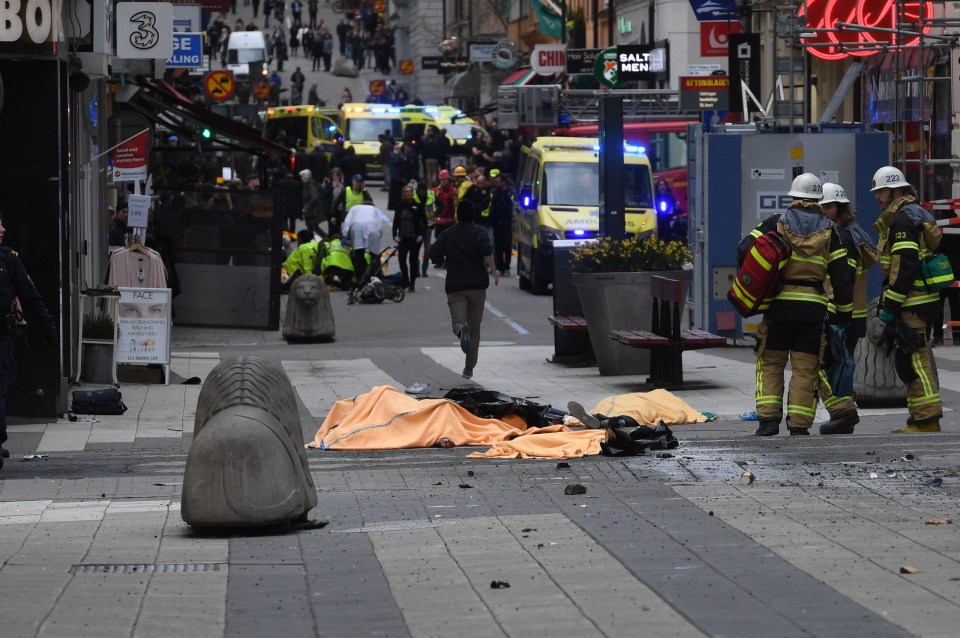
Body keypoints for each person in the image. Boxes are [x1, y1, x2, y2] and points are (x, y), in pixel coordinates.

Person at [737, 173, 852, 436]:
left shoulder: (775, 222)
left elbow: (744, 248)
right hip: (812, 310)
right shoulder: (829, 229)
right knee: (805, 367)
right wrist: (843, 315)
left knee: (771, 363)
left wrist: (755, 286)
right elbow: (842, 277)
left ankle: (768, 422)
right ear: (817, 199)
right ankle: (799, 426)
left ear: (794, 197)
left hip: (779, 306)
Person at [871, 166, 944, 433]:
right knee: (910, 360)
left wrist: (890, 306)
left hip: (910, 304)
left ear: (896, 190)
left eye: (881, 191)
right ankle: (920, 417)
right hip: (917, 302)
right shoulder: (912, 216)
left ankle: (927, 420)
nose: (877, 197)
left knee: (915, 362)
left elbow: (904, 268)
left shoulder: (902, 222)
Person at [817, 182, 878, 435]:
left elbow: (842, 278)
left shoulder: (843, 237)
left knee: (835, 365)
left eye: (828, 207)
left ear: (839, 208)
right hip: (855, 312)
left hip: (841, 311)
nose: (823, 212)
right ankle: (843, 414)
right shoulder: (858, 234)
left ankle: (843, 415)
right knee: (842, 364)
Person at [0, 216, 57, 466]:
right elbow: (30, 296)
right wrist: (49, 329)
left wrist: (49, 327)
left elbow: (30, 296)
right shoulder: (8, 259)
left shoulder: (8, 258)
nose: (3, 228)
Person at [429, 200, 499, 380]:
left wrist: (441, 259)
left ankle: (461, 331)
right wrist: (494, 271)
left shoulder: (448, 233)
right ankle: (469, 367)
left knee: (459, 322)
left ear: (457, 214)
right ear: (474, 215)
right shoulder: (479, 231)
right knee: (475, 328)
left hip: (456, 286)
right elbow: (486, 250)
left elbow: (433, 251)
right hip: (477, 285)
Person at [392, 184, 426, 292]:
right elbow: (395, 222)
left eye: (410, 191)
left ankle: (412, 283)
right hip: (403, 237)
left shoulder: (418, 206)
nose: (408, 193)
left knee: (413, 261)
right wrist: (394, 235)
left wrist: (421, 235)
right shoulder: (399, 206)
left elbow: (424, 222)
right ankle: (405, 280)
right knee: (401, 260)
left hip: (415, 238)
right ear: (403, 193)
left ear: (413, 193)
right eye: (406, 192)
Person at [342, 203, 389, 279]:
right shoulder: (376, 209)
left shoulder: (354, 207)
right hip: (372, 226)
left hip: (356, 227)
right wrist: (378, 235)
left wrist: (344, 235)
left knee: (358, 253)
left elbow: (347, 222)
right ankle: (377, 275)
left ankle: (360, 275)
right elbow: (379, 224)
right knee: (374, 254)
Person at [489, 169, 514, 276]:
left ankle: (507, 267)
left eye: (498, 181)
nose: (496, 183)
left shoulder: (511, 192)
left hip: (508, 223)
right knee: (498, 246)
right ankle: (500, 267)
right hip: (497, 223)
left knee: (507, 246)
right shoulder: (494, 193)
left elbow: (514, 206)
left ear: (504, 182)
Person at [413, 180, 437, 277]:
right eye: (421, 191)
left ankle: (424, 270)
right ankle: (417, 269)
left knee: (427, 250)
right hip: (417, 227)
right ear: (418, 191)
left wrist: (435, 214)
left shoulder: (431, 194)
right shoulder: (413, 195)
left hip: (428, 226)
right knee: (416, 250)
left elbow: (441, 205)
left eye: (424, 191)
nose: (423, 193)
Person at [433, 169, 458, 240]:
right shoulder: (436, 191)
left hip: (451, 221)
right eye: (441, 179)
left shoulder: (454, 191)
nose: (443, 181)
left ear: (448, 179)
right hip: (439, 222)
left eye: (445, 179)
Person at [299, 169, 323, 237]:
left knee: (314, 227)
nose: (301, 178)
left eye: (302, 177)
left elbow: (314, 197)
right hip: (310, 212)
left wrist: (307, 207)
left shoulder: (310, 185)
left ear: (307, 177)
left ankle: (327, 239)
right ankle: (310, 243)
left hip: (313, 211)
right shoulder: (306, 185)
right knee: (310, 229)